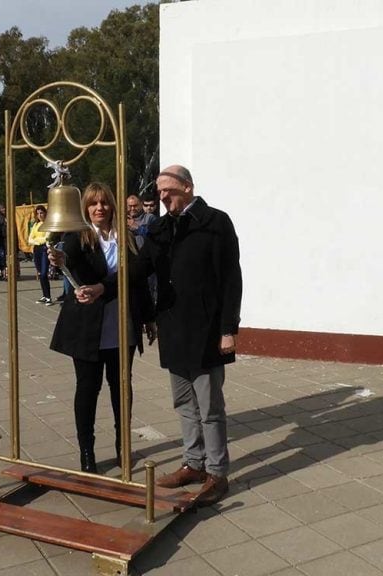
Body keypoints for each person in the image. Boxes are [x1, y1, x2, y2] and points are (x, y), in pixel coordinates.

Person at [136, 165, 242, 506]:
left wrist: (229, 329)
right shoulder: (163, 228)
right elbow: (139, 269)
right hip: (173, 329)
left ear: (188, 187)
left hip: (207, 330)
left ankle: (216, 472)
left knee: (210, 405)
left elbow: (231, 279)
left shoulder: (215, 223)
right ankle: (193, 463)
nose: (164, 197)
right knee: (183, 402)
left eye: (170, 191)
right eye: (160, 193)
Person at [49, 182, 156, 473]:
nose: (100, 208)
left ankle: (124, 448)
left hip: (122, 326)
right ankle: (87, 453)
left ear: (113, 206)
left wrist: (148, 317)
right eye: (93, 204)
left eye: (104, 203)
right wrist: (59, 259)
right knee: (87, 389)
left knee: (122, 388)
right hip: (88, 328)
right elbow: (68, 257)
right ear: (85, 208)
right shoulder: (78, 237)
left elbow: (137, 279)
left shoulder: (129, 239)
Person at [28, 205, 53, 305]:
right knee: (40, 273)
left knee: (44, 273)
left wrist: (36, 240)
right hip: (36, 249)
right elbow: (29, 239)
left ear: (45, 213)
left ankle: (48, 297)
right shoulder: (35, 225)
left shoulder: (48, 224)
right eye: (38, 213)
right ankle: (45, 295)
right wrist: (36, 241)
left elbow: (47, 237)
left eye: (41, 213)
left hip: (44, 249)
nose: (40, 215)